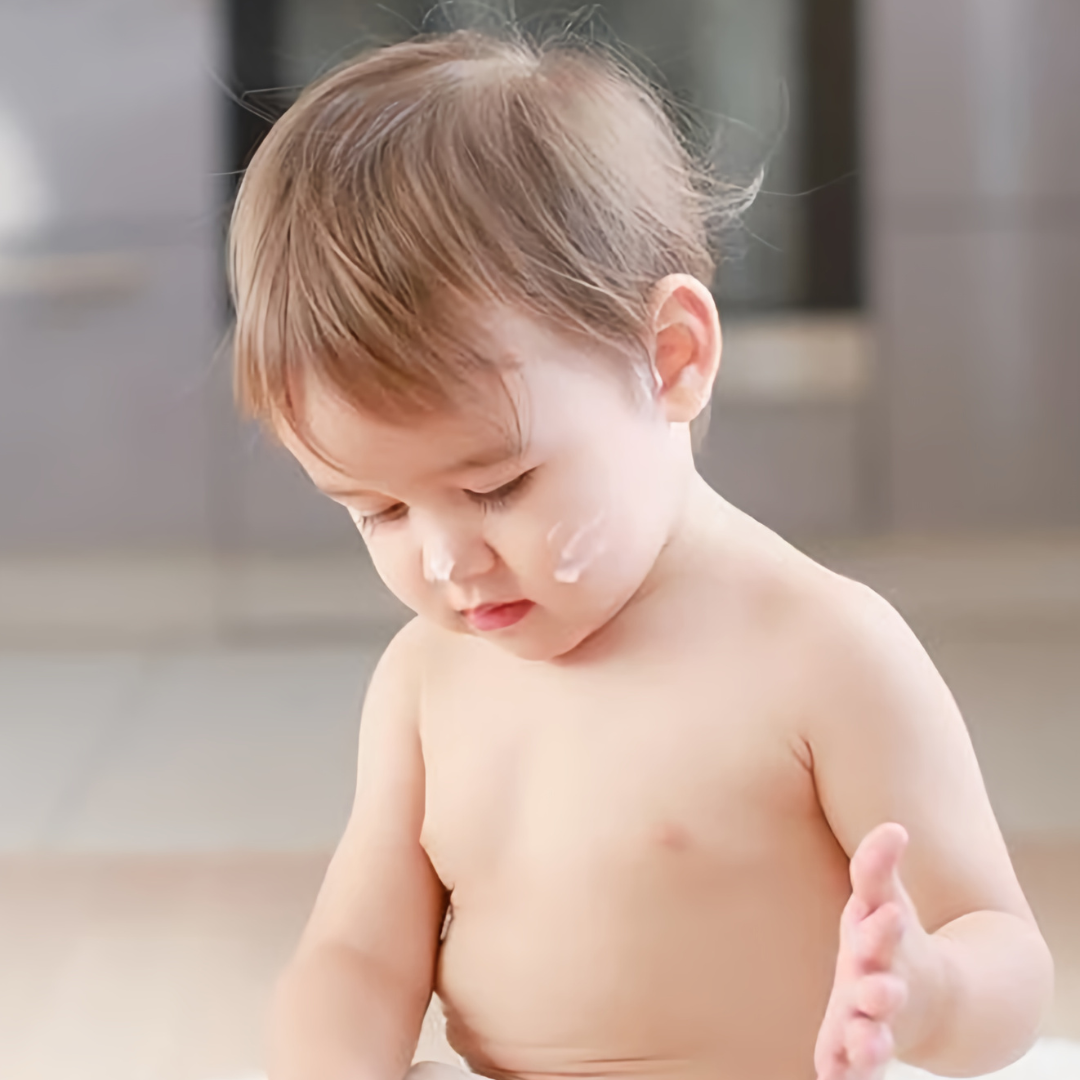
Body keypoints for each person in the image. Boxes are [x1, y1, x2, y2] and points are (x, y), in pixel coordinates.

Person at [227, 28, 1053, 1080]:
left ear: (670, 359)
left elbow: (1003, 952)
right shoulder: (425, 684)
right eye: (378, 510)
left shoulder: (821, 653)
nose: (444, 560)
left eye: (496, 488)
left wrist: (930, 993)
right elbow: (356, 955)